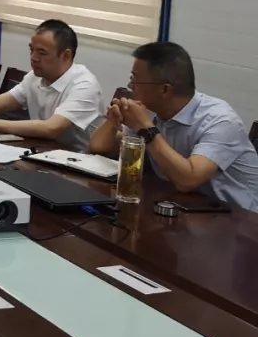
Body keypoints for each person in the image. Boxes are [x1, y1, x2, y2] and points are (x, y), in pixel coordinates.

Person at [89, 42, 258, 211]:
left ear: (165, 90)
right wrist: (113, 121)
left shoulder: (220, 121)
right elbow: (98, 147)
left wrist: (146, 128)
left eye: (135, 80)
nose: (130, 86)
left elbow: (188, 180)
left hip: (239, 218)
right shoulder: (150, 111)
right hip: (184, 207)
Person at [0, 20, 104, 150]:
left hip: (78, 164)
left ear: (66, 55)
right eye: (31, 50)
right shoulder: (35, 77)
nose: (33, 58)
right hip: (42, 152)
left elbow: (51, 128)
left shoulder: (84, 85)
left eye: (42, 52)